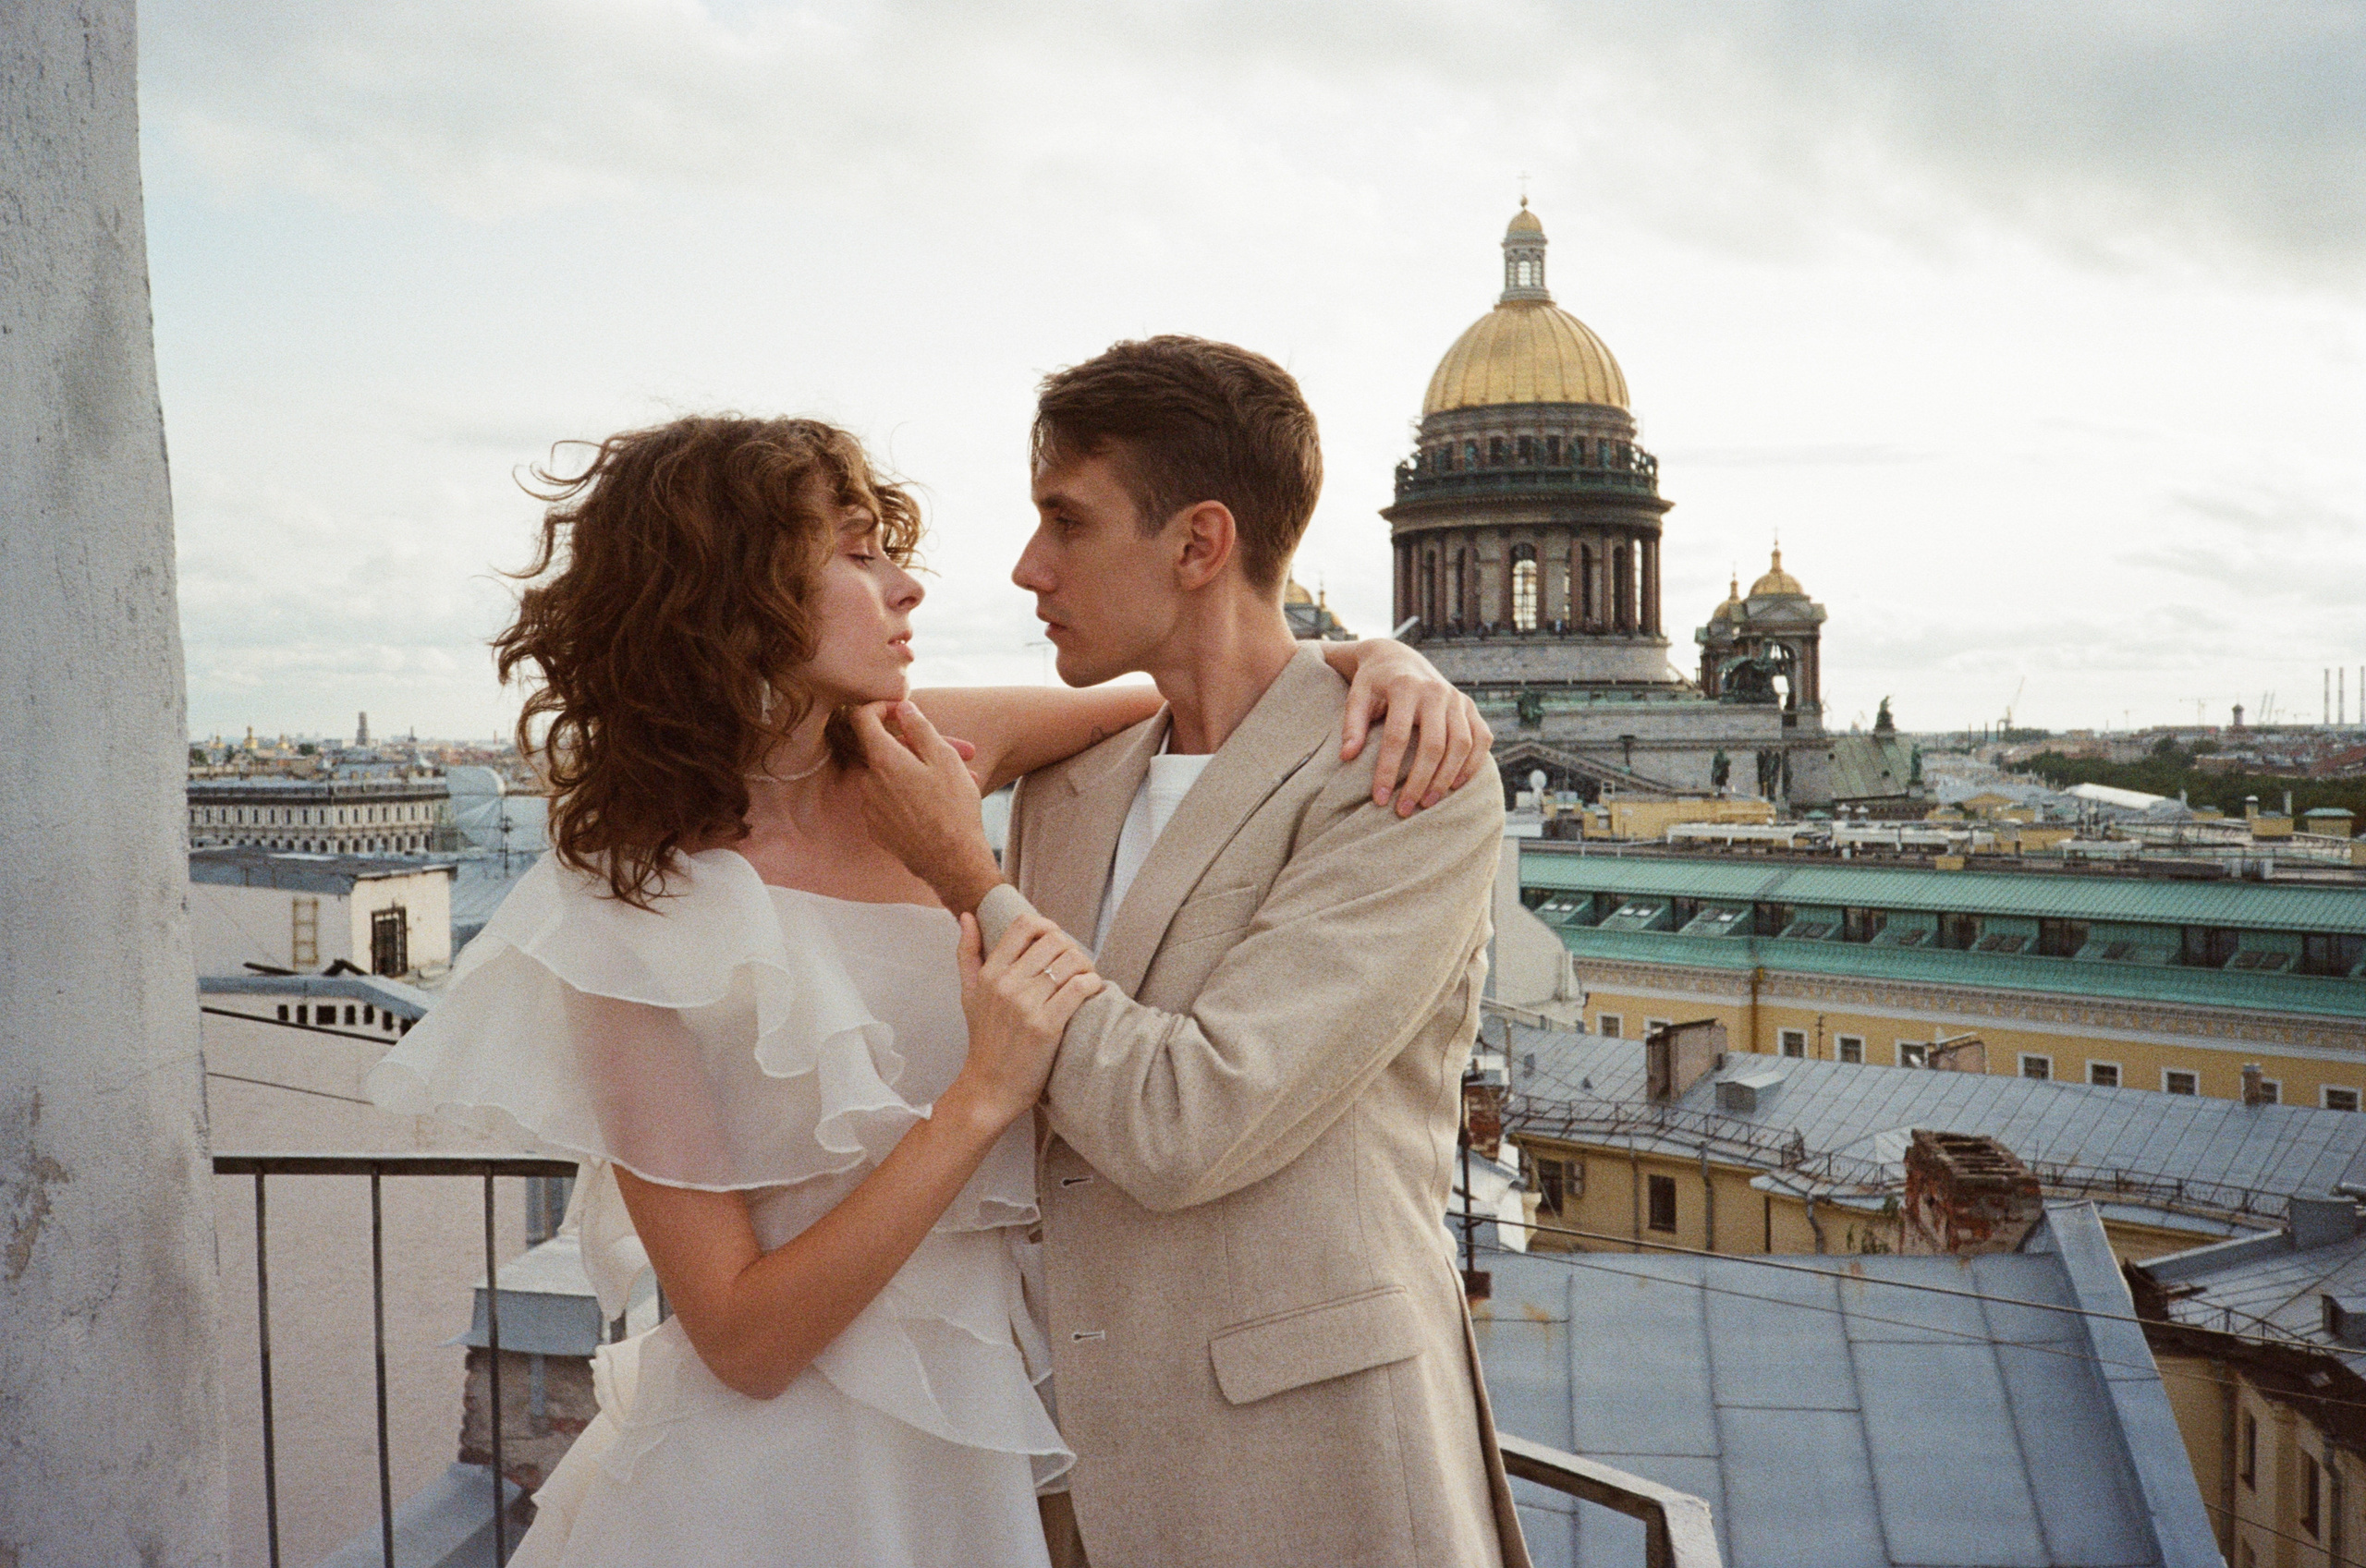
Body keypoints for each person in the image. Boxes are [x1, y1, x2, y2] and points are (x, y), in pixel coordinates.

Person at [364, 413, 1489, 1567]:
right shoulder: (630, 905)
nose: (907, 587)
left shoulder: (930, 747)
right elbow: (743, 1339)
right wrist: (978, 1101)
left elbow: (1215, 695)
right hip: (784, 1485)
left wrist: (1387, 663)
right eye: (857, 555)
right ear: (730, 595)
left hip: (1011, 1447)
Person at [853, 337, 1532, 1568]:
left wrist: (969, 878)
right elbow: (775, 729)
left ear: (1199, 543)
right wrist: (1364, 651)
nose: (1027, 566)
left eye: (1067, 520)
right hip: (1070, 1475)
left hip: (1316, 1473)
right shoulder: (1073, 778)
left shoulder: (1405, 780)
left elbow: (1187, 1120)